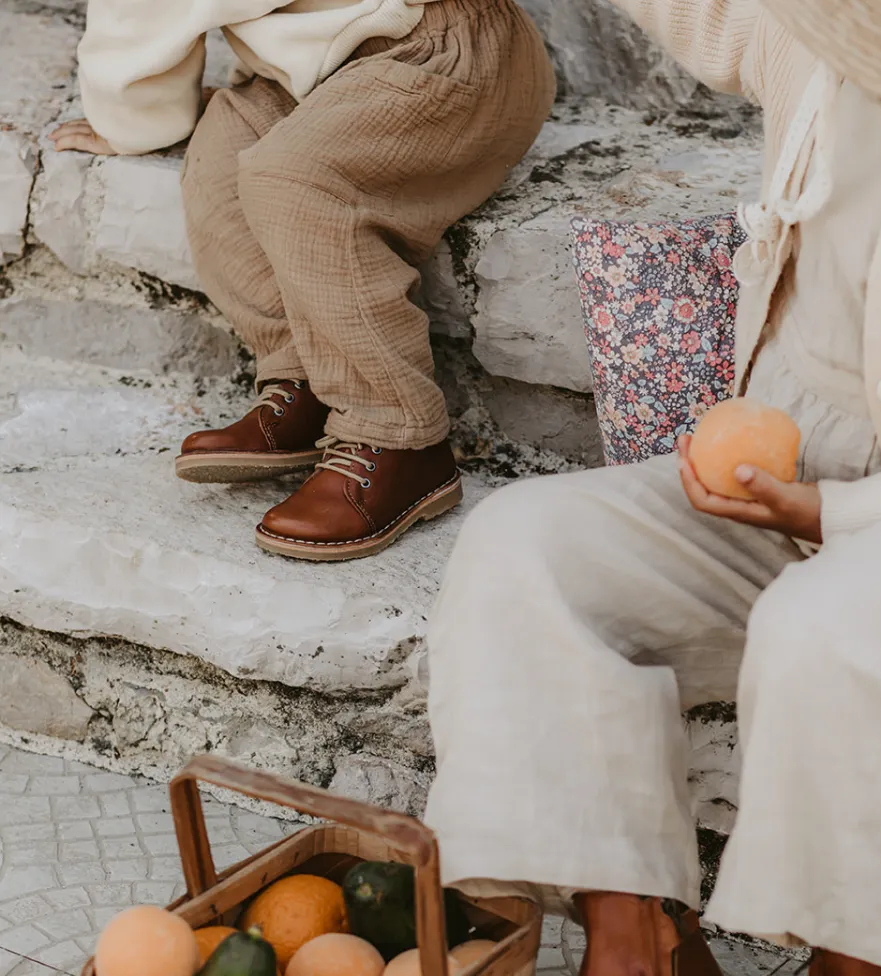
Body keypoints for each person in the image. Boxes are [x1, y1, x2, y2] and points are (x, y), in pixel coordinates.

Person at [423, 0, 881, 976]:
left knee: (826, 634)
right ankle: (645, 968)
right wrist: (797, 504)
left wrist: (832, 521)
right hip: (783, 475)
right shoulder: (820, 39)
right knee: (524, 548)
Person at [53, 0, 554, 561]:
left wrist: (133, 119)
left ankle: (398, 434)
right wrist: (154, 119)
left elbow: (139, 20)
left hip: (443, 54)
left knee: (298, 179)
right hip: (306, 73)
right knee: (221, 157)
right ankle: (309, 379)